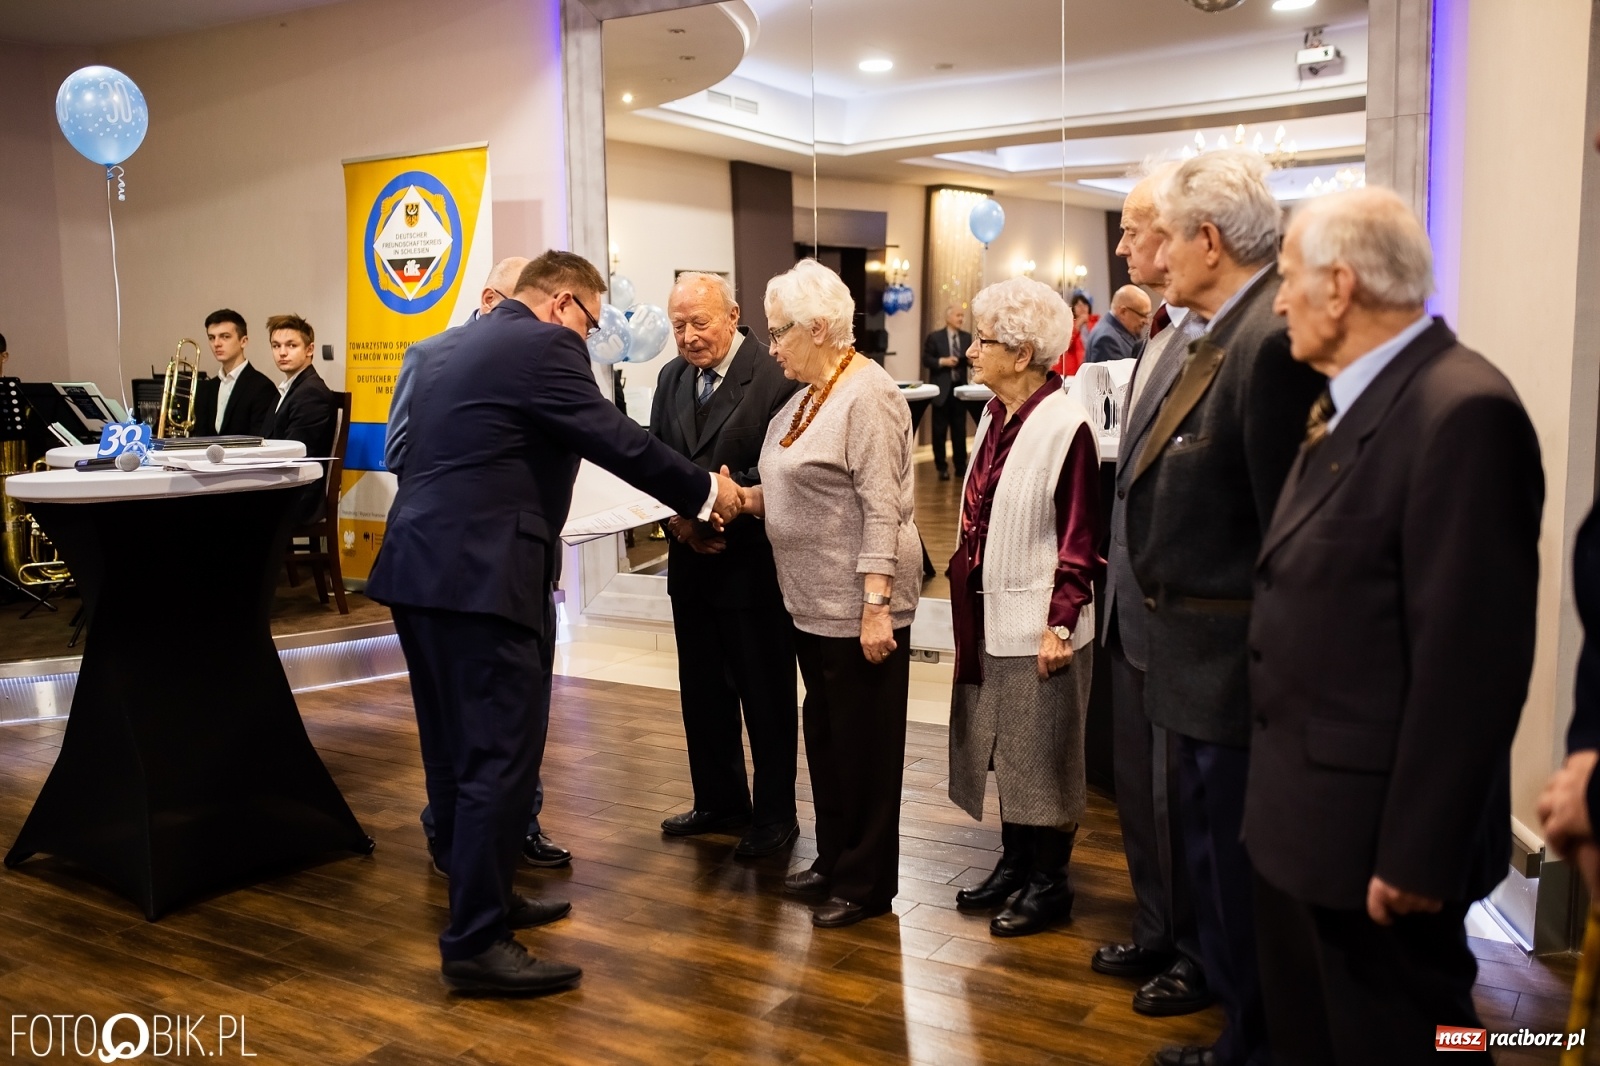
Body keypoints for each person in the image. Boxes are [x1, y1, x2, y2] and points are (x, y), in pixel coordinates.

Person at [366, 250, 742, 994]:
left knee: (452, 753)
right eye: (591, 325)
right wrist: (705, 491)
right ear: (563, 303)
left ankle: (486, 896)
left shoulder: (447, 346)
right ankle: (477, 943)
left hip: (417, 571)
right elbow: (619, 440)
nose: (589, 341)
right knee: (499, 759)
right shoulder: (543, 345)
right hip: (484, 580)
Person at [1248, 188, 1543, 1063]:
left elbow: (1472, 668)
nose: (1279, 302)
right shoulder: (1353, 398)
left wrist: (1419, 852)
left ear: (1340, 286)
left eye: (1289, 278)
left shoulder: (1462, 410)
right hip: (1306, 821)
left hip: (1376, 844)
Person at [1125, 151, 1324, 1066]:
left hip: (1232, 664)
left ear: (1208, 239)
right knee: (1214, 869)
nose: (1154, 255)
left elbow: (1286, 531)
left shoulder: (1266, 341)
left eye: (1165, 236)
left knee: (1240, 880)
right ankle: (1243, 1035)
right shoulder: (1224, 330)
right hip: (1195, 659)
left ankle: (1256, 1045)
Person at [733, 259, 920, 929]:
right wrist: (742, 499)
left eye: (778, 331)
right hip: (812, 604)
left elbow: (882, 508)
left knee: (865, 748)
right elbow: (798, 489)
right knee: (830, 740)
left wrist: (876, 606)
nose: (771, 347)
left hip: (858, 604)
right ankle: (836, 858)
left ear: (817, 328)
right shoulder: (809, 395)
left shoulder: (867, 394)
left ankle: (867, 884)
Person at [386, 257, 573, 873]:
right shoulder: (431, 354)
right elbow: (401, 451)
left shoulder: (543, 357)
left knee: (523, 712)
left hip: (526, 559)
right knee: (465, 727)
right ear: (495, 298)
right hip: (461, 564)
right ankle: (458, 845)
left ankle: (518, 828)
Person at [945, 277, 1101, 938]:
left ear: (1022, 353)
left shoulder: (1067, 426)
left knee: (1045, 754)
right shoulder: (993, 414)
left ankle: (1049, 883)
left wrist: (1060, 623)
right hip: (989, 614)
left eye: (983, 341)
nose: (971, 351)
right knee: (1007, 747)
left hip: (1042, 620)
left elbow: (1082, 539)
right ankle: (1015, 864)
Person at [1093, 162, 1211, 1019]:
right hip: (1131, 604)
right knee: (1139, 786)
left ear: (1178, 236)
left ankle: (1199, 954)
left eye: (1134, 229)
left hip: (1183, 613)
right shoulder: (1158, 331)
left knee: (1186, 801)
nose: (1123, 245)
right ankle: (1157, 927)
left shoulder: (1218, 338)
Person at [651, 272, 802, 857]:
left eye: (700, 322)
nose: (689, 337)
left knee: (766, 698)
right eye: (678, 326)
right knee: (703, 695)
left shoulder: (775, 376)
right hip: (690, 564)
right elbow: (653, 463)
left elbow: (785, 470)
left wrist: (713, 511)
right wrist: (680, 524)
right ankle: (719, 800)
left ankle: (775, 815)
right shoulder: (670, 378)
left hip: (752, 566)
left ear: (734, 316)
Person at [265, 314, 337, 526]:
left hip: (299, 496)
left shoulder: (311, 393)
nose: (282, 352)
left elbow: (294, 453)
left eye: (291, 345)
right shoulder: (291, 389)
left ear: (309, 349)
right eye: (276, 346)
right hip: (284, 487)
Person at [192, 310, 277, 437]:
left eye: (225, 336)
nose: (216, 344)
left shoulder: (262, 387)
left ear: (243, 341)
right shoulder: (206, 388)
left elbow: (259, 439)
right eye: (211, 338)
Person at [922, 304, 973, 481]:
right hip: (942, 392)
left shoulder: (966, 337)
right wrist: (942, 361)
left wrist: (971, 361)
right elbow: (926, 359)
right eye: (958, 315)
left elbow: (971, 360)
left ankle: (960, 465)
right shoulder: (935, 337)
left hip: (960, 390)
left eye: (962, 316)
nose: (961, 319)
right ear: (948, 317)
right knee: (939, 431)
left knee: (960, 430)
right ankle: (941, 467)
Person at [1085, 285, 1152, 364]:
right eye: (1143, 315)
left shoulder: (1120, 331)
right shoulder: (1107, 340)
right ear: (1123, 312)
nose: (1147, 322)